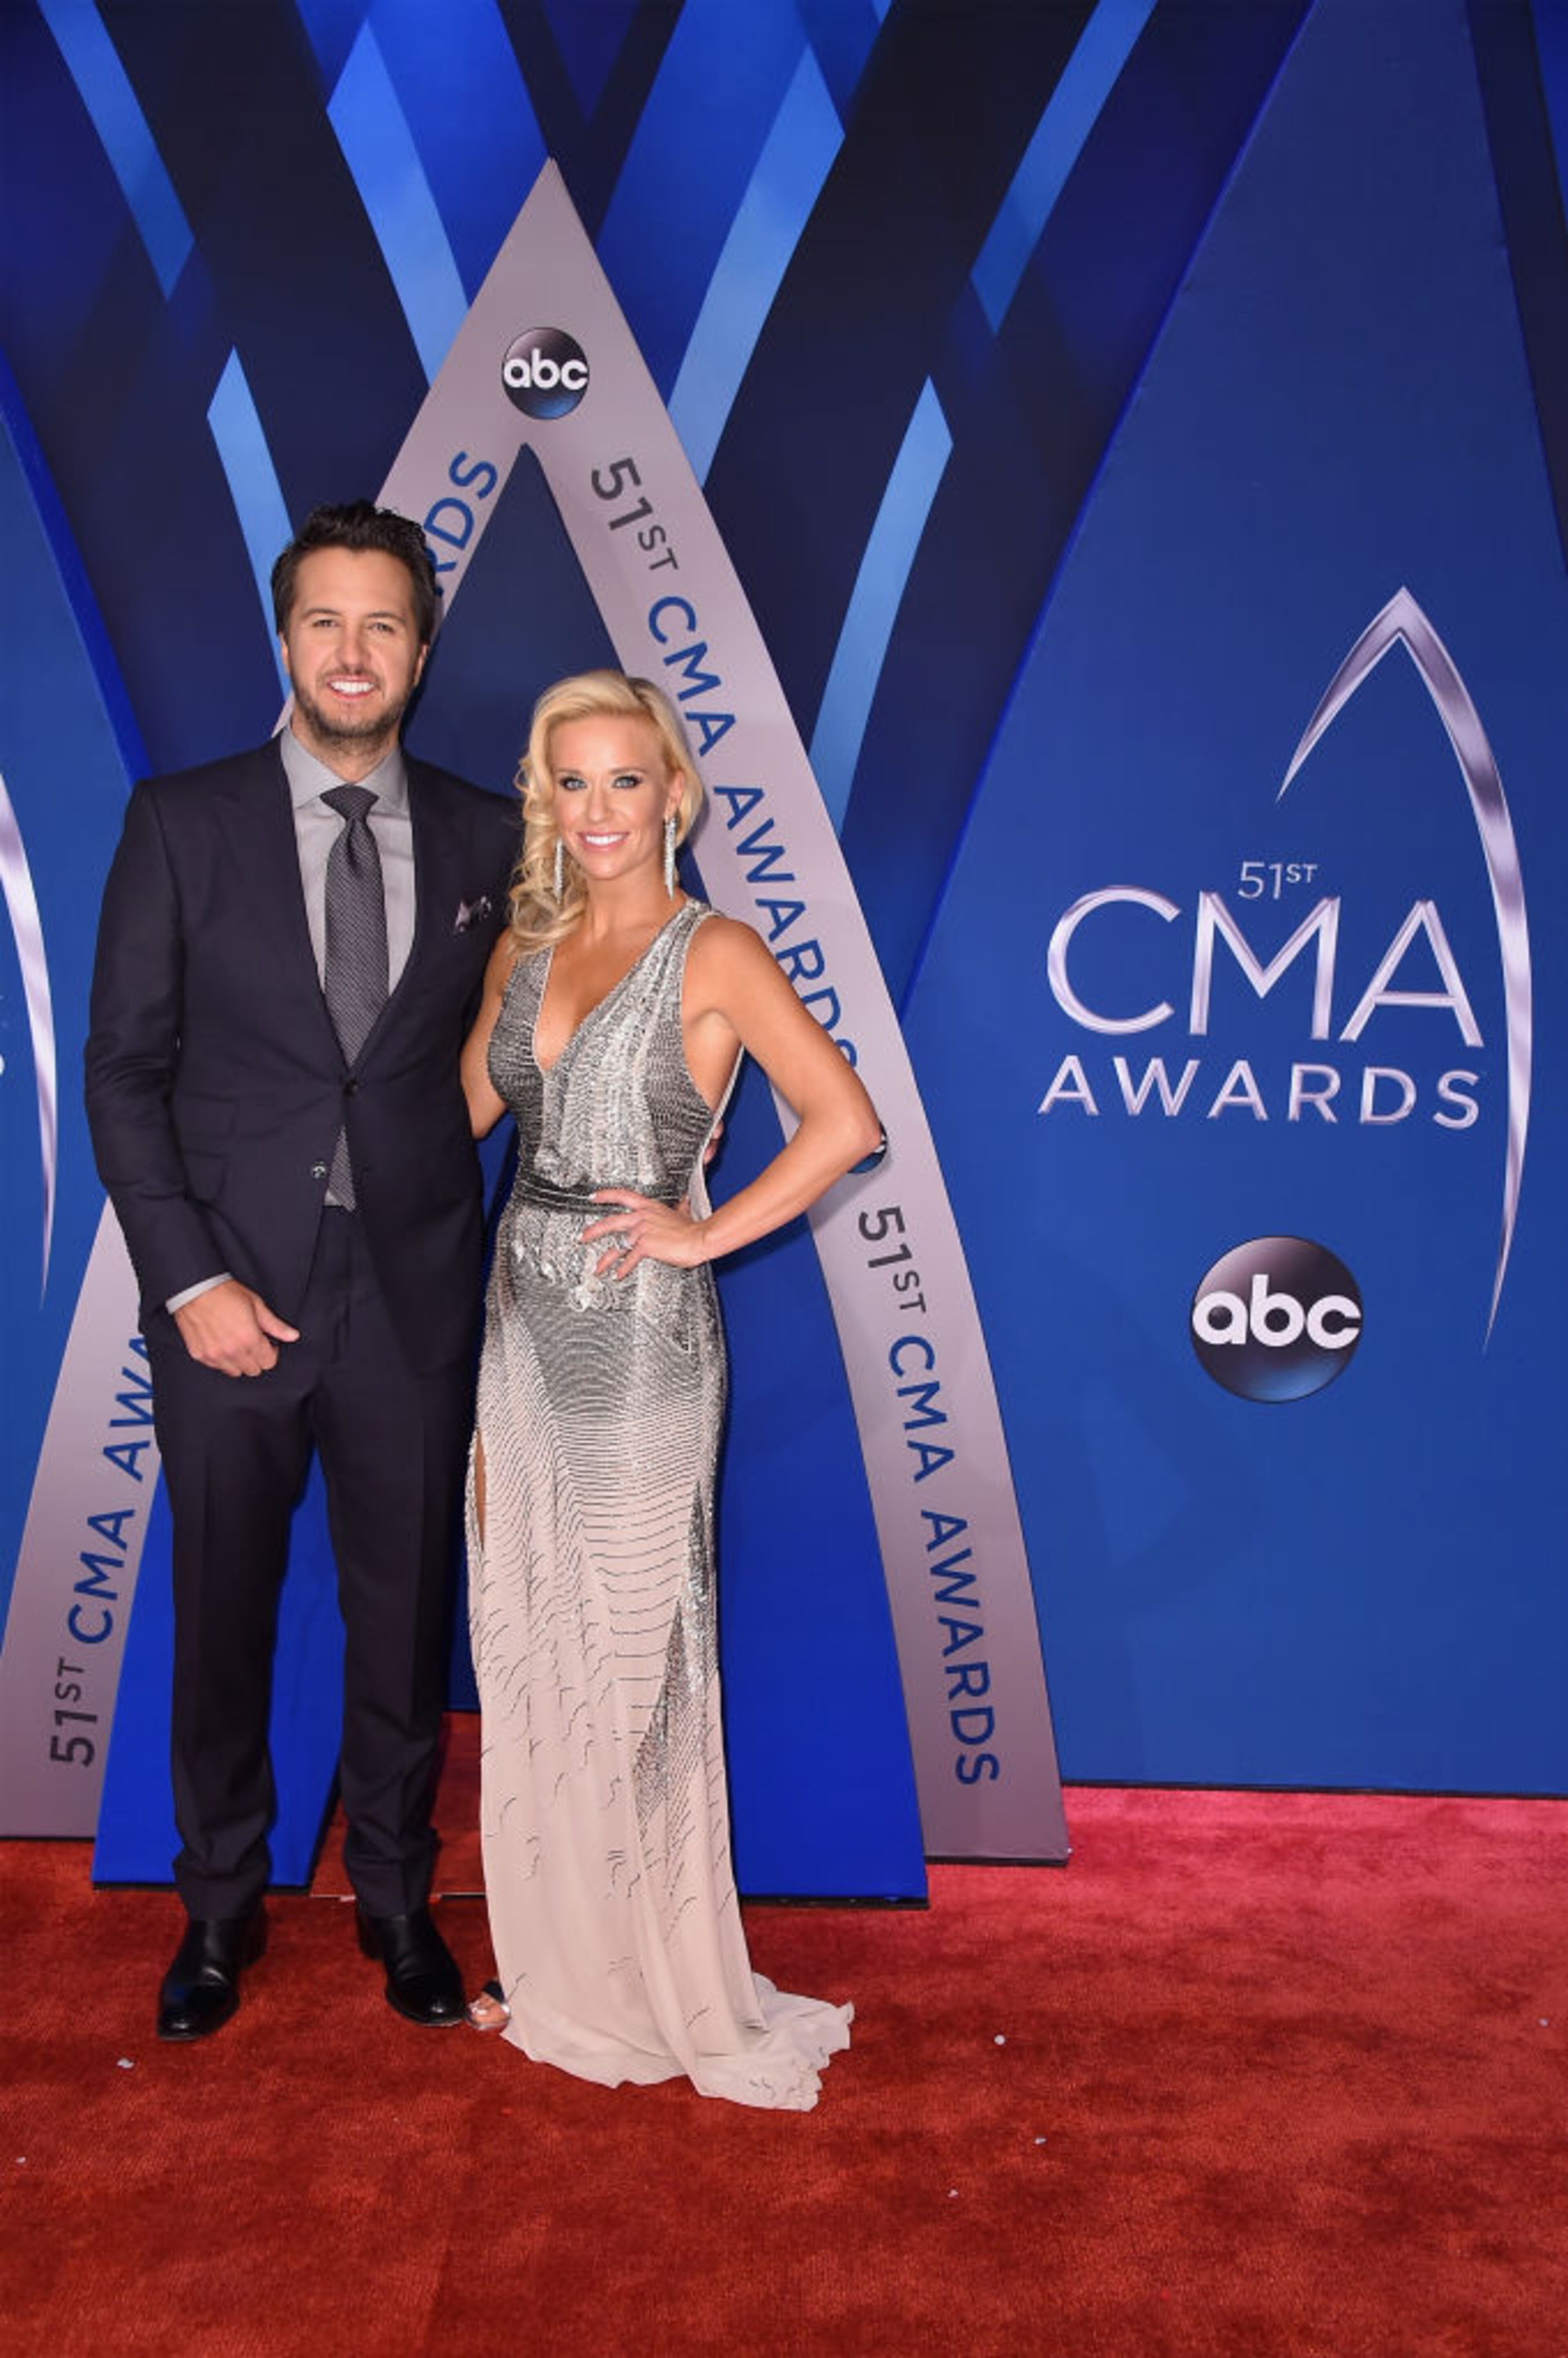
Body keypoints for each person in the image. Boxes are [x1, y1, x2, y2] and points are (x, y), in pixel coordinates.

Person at [84, 501, 517, 2041]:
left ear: (421, 652)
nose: (352, 651)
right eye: (325, 621)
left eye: (382, 624)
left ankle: (397, 1900)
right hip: (229, 1302)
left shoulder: (489, 836)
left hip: (411, 1297)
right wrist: (189, 1281)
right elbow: (122, 1075)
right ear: (285, 640)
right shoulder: (179, 821)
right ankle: (218, 1907)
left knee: (404, 1620)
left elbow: (531, 1031)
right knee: (222, 1614)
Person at [459, 669, 883, 2110]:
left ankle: (658, 1973)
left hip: (642, 1339)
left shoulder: (719, 952)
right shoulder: (527, 942)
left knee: (637, 1655)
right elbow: (455, 1113)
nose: (599, 810)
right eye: (571, 781)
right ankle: (566, 1962)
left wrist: (702, 1232)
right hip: (519, 1327)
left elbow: (845, 1122)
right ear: (545, 798)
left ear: (673, 796)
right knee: (533, 1641)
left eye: (624, 781)